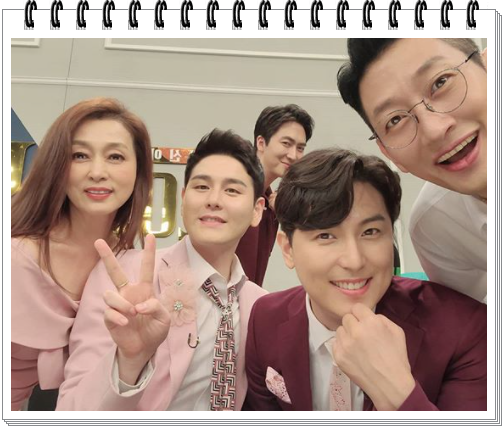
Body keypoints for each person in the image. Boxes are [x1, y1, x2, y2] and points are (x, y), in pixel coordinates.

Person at [245, 148, 486, 411]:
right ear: (288, 249)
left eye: (370, 232)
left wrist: (396, 391)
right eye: (326, 236)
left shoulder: (465, 329)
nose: (354, 260)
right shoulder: (264, 320)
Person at [57, 129, 268, 411]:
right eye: (201, 187)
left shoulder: (261, 306)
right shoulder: (123, 275)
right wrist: (129, 361)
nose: (213, 200)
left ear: (256, 211)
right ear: (183, 198)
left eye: (232, 190)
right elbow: (71, 410)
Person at [11, 98, 153, 411]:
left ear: (139, 169)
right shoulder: (15, 258)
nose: (97, 172)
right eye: (79, 155)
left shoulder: (126, 268)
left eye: (115, 156)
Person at [337, 38, 487, 303]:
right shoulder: (437, 227)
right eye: (395, 120)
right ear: (388, 153)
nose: (434, 130)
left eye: (440, 83)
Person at [235, 104, 314, 287]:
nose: (293, 155)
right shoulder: (237, 191)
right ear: (261, 143)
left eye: (300, 148)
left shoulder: (271, 202)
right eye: (286, 143)